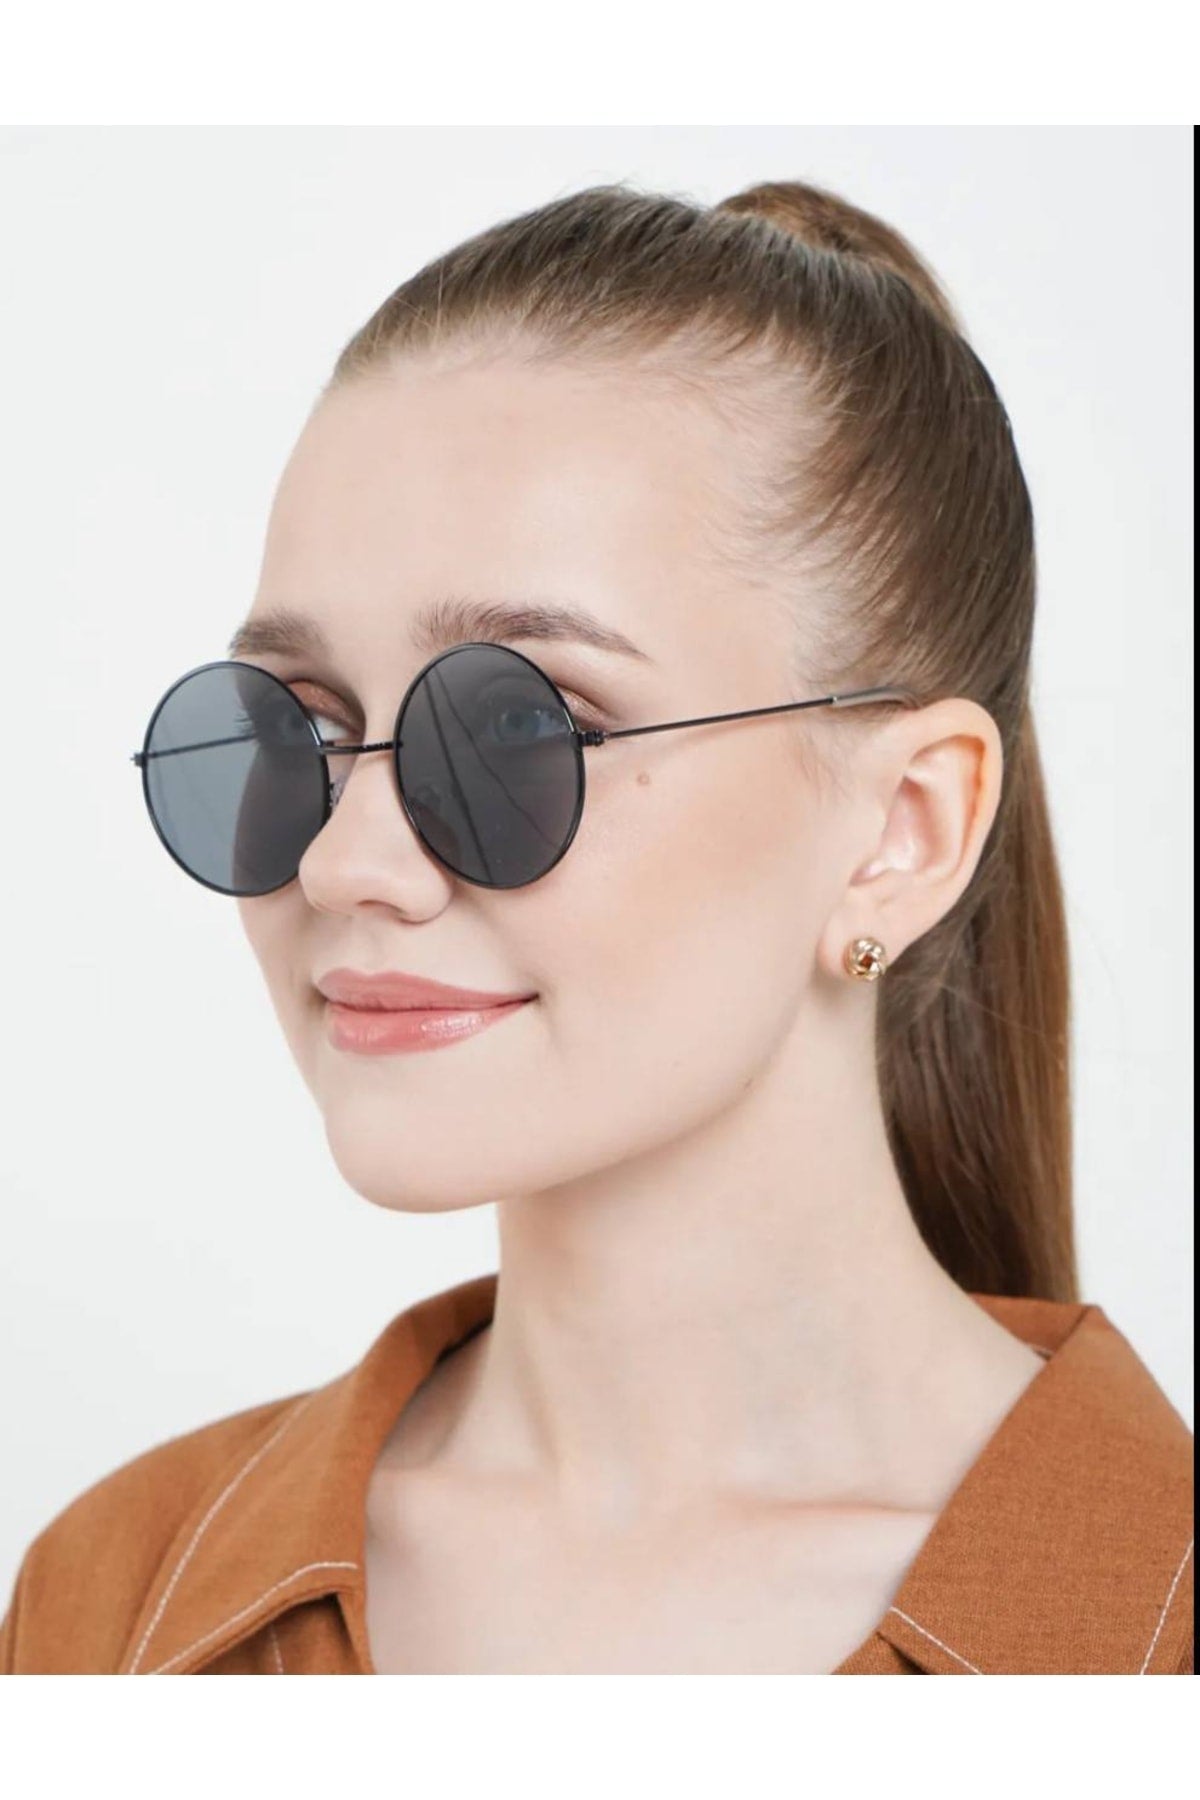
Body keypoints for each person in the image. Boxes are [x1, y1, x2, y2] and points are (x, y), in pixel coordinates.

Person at [1, 178, 1191, 1676]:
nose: (349, 860)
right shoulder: (111, 1601)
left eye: (525, 728)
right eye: (298, 726)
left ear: (903, 831)